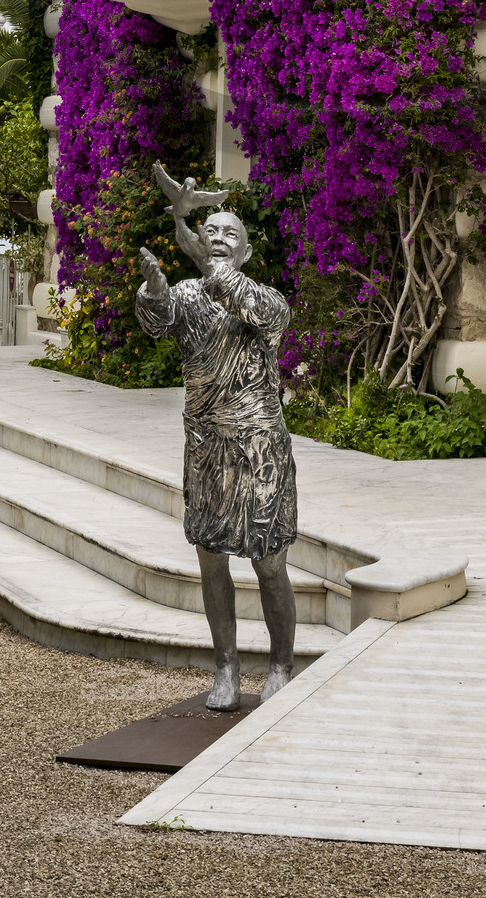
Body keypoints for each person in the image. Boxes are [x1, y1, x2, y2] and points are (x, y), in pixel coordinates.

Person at [136, 162, 298, 710]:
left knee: (269, 560)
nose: (222, 239)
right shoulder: (189, 296)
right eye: (213, 231)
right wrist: (155, 292)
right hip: (205, 446)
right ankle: (226, 667)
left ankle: (280, 664)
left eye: (232, 234)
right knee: (210, 557)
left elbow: (246, 303)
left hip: (258, 450)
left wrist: (210, 265)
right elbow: (158, 321)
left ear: (247, 253)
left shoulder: (268, 301)